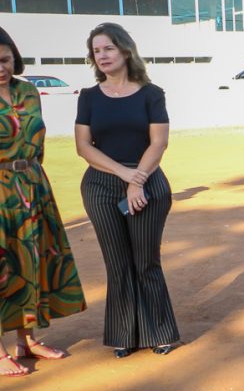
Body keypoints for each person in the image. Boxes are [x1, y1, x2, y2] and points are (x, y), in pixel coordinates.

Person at [75, 23, 179, 358]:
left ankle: (159, 331)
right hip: (101, 186)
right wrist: (125, 176)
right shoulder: (89, 97)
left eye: (108, 48)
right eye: (96, 51)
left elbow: (158, 142)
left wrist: (138, 180)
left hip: (148, 181)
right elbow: (83, 147)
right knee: (117, 263)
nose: (102, 55)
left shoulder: (152, 94)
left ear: (125, 50)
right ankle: (124, 333)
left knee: (146, 261)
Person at [0, 27, 85, 377]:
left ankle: (27, 340)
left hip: (33, 186)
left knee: (31, 260)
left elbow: (39, 139)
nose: (1, 68)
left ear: (14, 58)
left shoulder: (29, 92)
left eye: (5, 60)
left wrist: (33, 178)